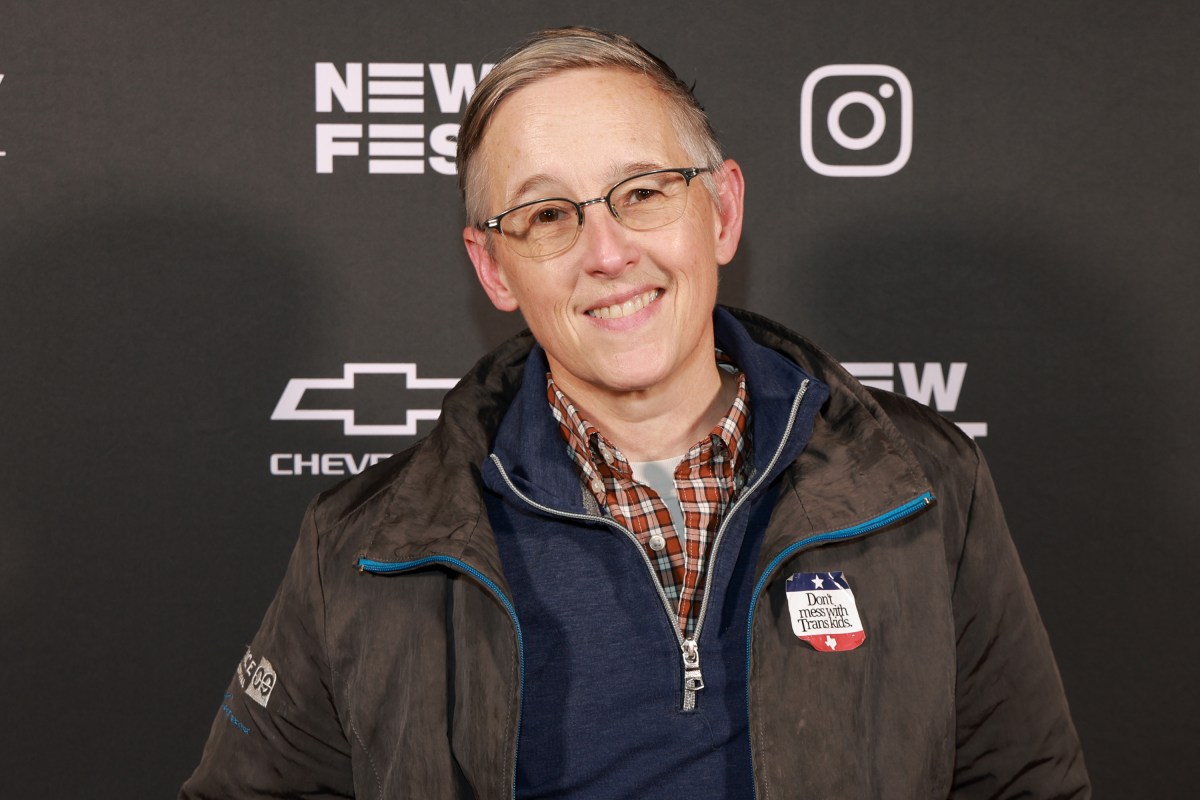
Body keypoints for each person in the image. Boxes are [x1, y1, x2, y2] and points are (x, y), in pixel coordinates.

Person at [180, 26, 1089, 799]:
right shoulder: (365, 545)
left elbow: (1025, 785)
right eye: (545, 216)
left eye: (643, 192)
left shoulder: (923, 483)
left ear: (722, 210)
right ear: (494, 269)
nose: (607, 252)